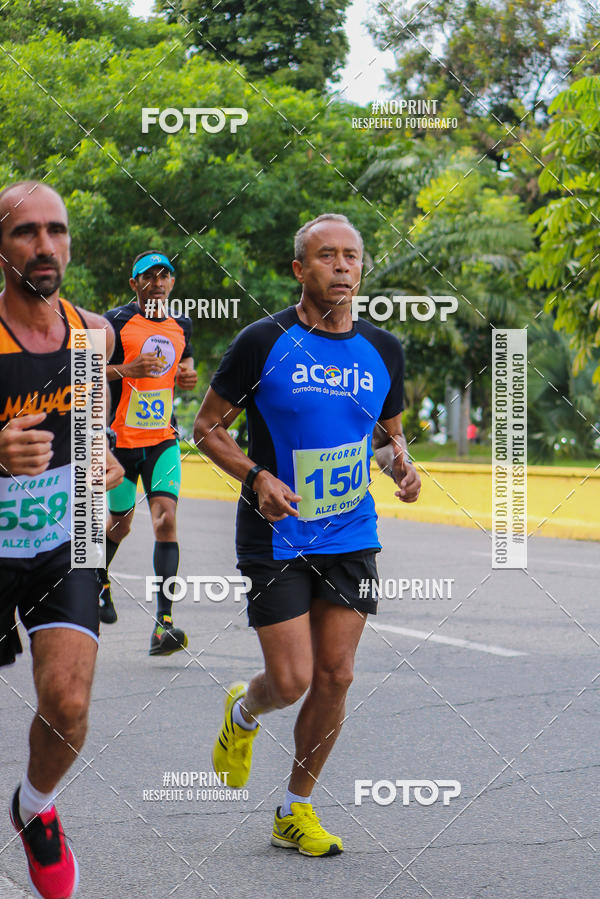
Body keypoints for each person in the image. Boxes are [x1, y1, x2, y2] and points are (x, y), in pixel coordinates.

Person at [194, 213, 421, 857]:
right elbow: (206, 427)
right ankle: (245, 710)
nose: (342, 267)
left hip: (350, 531)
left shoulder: (384, 350)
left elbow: (384, 434)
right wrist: (256, 474)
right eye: (327, 256)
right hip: (278, 533)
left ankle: (296, 808)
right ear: (300, 270)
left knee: (336, 676)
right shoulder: (263, 343)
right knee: (289, 680)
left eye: (352, 256)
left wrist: (401, 465)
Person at [0, 181, 123, 899]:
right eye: (25, 233)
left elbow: (87, 423)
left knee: (69, 703)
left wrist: (99, 461)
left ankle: (34, 808)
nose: (45, 246)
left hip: (62, 536)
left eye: (57, 231)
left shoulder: (92, 333)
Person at [98, 252, 197, 655]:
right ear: (133, 283)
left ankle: (164, 623)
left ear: (172, 283)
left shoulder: (182, 325)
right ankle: (98, 580)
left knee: (166, 521)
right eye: (148, 277)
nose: (157, 282)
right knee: (120, 525)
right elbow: (82, 370)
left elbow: (184, 371)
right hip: (120, 444)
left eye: (164, 276)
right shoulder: (111, 322)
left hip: (161, 440)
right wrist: (127, 370)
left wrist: (189, 376)